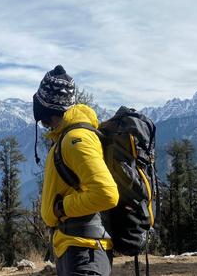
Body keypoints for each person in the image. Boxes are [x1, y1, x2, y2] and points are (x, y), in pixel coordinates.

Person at [33, 65, 119, 276]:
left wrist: (62, 208)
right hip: (75, 248)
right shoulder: (66, 137)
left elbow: (107, 194)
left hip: (84, 252)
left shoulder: (75, 140)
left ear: (48, 106)